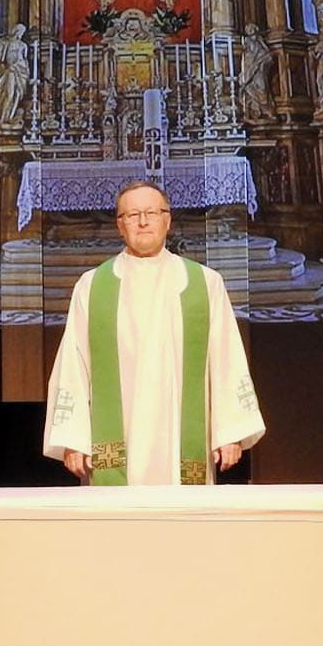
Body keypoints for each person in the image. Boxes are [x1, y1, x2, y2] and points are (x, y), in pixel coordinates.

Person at [43, 181, 265, 485]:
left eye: (151, 212)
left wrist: (230, 432)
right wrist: (74, 439)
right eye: (132, 215)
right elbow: (74, 364)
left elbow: (226, 358)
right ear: (120, 226)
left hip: (181, 442)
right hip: (116, 447)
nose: (143, 222)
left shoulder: (203, 283)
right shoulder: (93, 286)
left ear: (167, 220)